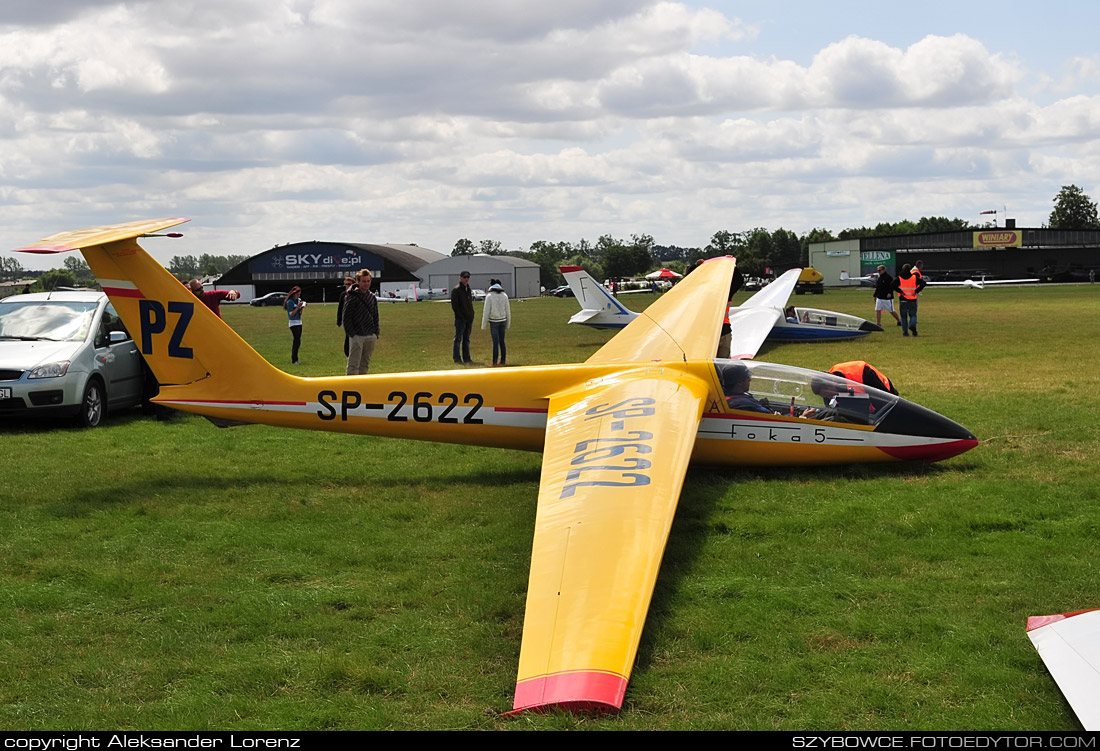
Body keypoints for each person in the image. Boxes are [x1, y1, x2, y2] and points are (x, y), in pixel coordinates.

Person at [344, 269, 380, 375]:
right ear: (358, 282)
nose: (366, 284)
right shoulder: (352, 297)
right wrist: (352, 334)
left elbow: (375, 315)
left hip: (370, 334)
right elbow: (346, 317)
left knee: (365, 363)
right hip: (357, 335)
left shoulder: (372, 297)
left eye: (368, 281)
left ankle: (362, 385)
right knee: (353, 364)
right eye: (364, 281)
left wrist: (376, 332)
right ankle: (351, 386)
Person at [482, 280, 511, 366]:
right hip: (503, 320)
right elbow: (508, 311)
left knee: (495, 342)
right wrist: (508, 323)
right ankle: (503, 361)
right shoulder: (504, 296)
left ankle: (494, 362)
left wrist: (484, 325)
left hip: (494, 321)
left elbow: (486, 311)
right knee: (502, 341)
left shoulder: (489, 296)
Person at [893, 264, 926, 336]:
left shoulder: (899, 278)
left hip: (903, 300)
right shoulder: (914, 277)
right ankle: (912, 325)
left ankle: (905, 332)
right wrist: (917, 291)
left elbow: (892, 285)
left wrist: (900, 291)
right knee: (913, 315)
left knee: (904, 317)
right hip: (912, 299)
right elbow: (923, 283)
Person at [451, 270, 474, 365]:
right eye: (464, 277)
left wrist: (472, 314)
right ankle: (457, 358)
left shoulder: (468, 289)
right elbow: (455, 305)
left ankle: (467, 357)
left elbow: (470, 303)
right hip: (461, 319)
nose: (466, 279)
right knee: (458, 338)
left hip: (469, 317)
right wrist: (460, 316)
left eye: (468, 277)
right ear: (460, 277)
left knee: (466, 339)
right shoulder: (456, 290)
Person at [285, 286, 305, 365]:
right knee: (296, 341)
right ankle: (294, 359)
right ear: (294, 294)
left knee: (298, 341)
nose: (298, 296)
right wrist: (298, 306)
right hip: (293, 323)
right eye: (297, 294)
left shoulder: (298, 300)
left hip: (299, 322)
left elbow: (299, 313)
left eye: (299, 294)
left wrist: (302, 308)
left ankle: (296, 358)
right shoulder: (290, 302)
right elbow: (292, 314)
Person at [335, 276, 354, 356]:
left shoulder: (356, 294)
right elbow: (340, 307)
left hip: (355, 319)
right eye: (346, 284)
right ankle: (348, 352)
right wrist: (339, 320)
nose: (347, 286)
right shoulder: (343, 295)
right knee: (348, 335)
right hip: (346, 320)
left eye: (349, 284)